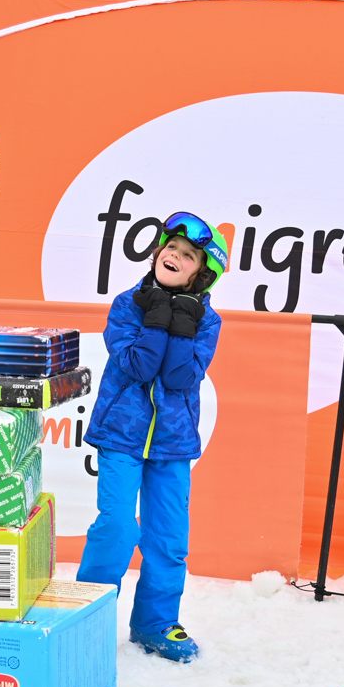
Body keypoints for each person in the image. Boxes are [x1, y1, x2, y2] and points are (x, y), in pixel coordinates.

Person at [77, 212, 228, 663]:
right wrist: (159, 317)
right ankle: (88, 617)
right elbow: (138, 367)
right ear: (157, 251)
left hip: (172, 443)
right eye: (171, 248)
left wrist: (184, 323)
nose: (175, 256)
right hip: (122, 435)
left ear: (201, 273)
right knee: (118, 527)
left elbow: (182, 378)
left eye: (188, 255)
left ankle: (155, 623)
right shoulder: (128, 304)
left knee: (167, 537)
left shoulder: (208, 321)